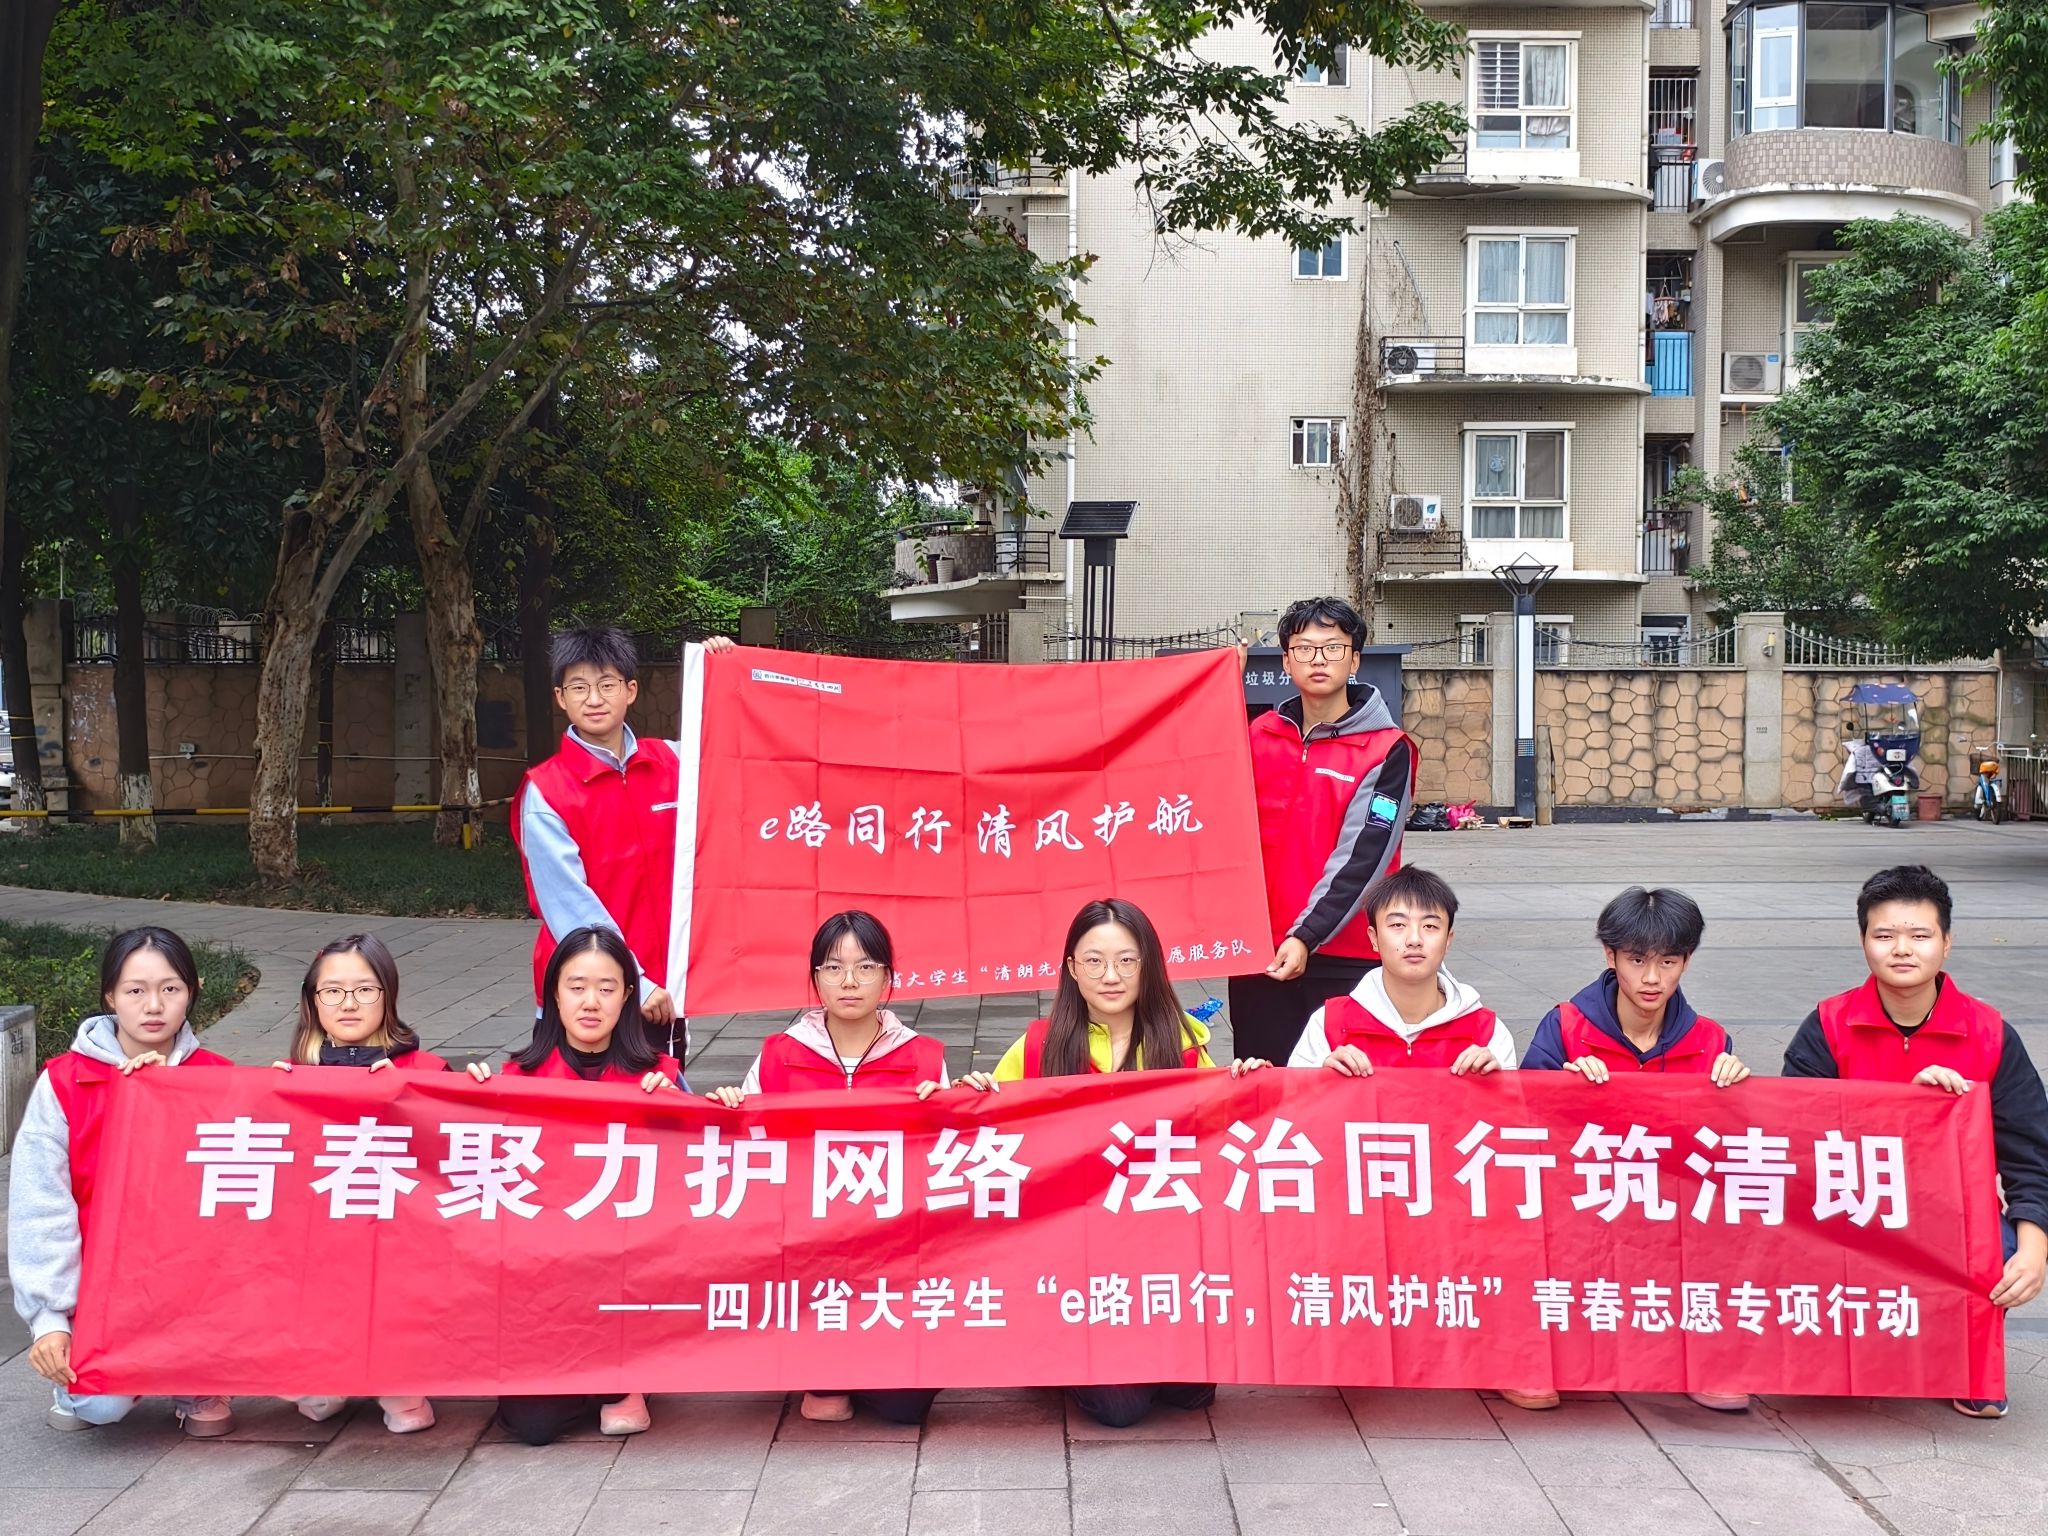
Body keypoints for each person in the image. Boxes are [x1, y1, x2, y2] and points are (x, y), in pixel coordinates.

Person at [707, 910, 997, 1425]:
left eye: (865, 967)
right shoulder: (778, 1056)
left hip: (892, 1257)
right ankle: (826, 1368)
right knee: (830, 1386)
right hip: (806, 1253)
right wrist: (727, 1108)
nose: (848, 981)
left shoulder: (923, 1058)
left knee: (905, 1407)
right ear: (815, 977)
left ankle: (850, 1364)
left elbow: (945, 1164)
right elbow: (746, 1154)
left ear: (887, 978)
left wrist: (963, 1101)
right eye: (833, 967)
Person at [1784, 864, 2048, 1420]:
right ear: (1864, 941)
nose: (1902, 949)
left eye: (1920, 935)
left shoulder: (1990, 1034)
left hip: (1954, 1215)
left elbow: (2031, 1153)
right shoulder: (1828, 1025)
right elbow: (1795, 1138)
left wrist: (2034, 1248)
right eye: (1884, 935)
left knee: (2001, 1250)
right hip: (1853, 1208)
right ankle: (1840, 1351)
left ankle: (1968, 1361)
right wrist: (1906, 1108)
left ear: (1946, 943)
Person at [992, 897, 1268, 1427]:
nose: (1111, 976)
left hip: (1157, 1260)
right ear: (1072, 968)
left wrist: (1252, 1084)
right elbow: (986, 1132)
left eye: (1126, 960)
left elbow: (1220, 1137)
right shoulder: (1035, 1049)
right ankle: (1052, 1349)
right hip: (1073, 1267)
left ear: (1148, 965)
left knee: (1192, 1393)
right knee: (1121, 1408)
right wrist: (968, 1094)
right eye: (1094, 961)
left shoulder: (1184, 1049)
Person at [1520, 886, 1752, 1413]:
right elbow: (1524, 1128)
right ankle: (1535, 1356)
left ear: (1686, 961)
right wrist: (1561, 1090)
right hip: (1584, 1197)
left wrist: (1736, 1093)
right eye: (1637, 960)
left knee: (1733, 1216)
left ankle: (1705, 1355)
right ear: (1611, 956)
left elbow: (1726, 1151)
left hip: (1667, 1203)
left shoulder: (1710, 1042)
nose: (1652, 978)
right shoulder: (1567, 1027)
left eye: (1668, 962)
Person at [9, 927, 235, 1435]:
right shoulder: (65, 1081)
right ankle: (88, 1380)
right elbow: (40, 1205)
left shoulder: (219, 1076)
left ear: (192, 991)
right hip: (102, 1286)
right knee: (100, 1408)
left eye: (170, 988)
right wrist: (50, 1320)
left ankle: (197, 1378)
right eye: (135, 990)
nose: (154, 1005)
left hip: (191, 1286)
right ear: (110, 996)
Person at [467, 926, 684, 1445]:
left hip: (627, 1280)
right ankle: (588, 1379)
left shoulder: (658, 1079)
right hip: (546, 1289)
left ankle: (626, 1378)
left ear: (627, 996)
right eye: (577, 986)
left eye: (606, 988)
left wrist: (697, 1105)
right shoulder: (514, 1080)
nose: (591, 1002)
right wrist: (463, 1100)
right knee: (532, 1427)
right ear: (554, 995)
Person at [510, 624, 733, 1058]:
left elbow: (733, 753)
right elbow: (570, 906)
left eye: (607, 685)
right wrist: (634, 980)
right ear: (560, 698)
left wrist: (723, 672)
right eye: (579, 687)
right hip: (586, 997)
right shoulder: (546, 790)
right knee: (582, 1102)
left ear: (630, 690)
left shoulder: (673, 762)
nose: (594, 699)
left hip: (663, 992)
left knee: (661, 1098)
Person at [1231, 595, 1417, 1066]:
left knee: (1343, 1091)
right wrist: (1219, 690)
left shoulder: (1386, 749)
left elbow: (1365, 856)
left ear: (1354, 660)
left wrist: (1306, 935)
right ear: (1286, 660)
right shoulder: (1257, 736)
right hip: (1261, 954)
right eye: (1304, 648)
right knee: (1263, 1084)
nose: (1318, 659)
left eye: (1333, 647)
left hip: (1344, 956)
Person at [271, 934, 444, 1433]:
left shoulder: (428, 1073)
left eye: (365, 990)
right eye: (333, 991)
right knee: (308, 1391)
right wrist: (266, 1103)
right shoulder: (288, 1078)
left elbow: (449, 1170)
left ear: (388, 993)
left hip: (400, 1253)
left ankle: (397, 1380)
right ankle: (328, 1375)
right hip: (319, 1254)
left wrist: (447, 1095)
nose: (348, 1004)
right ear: (312, 1000)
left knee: (402, 1400)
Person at [1285, 867, 1515, 1078]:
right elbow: (1294, 1103)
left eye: (1430, 926)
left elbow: (1514, 1109)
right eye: (1398, 925)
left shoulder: (1487, 1032)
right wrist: (1320, 1078)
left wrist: (1497, 1085)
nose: (1414, 939)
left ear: (1448, 940)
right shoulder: (1329, 1024)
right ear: (1374, 938)